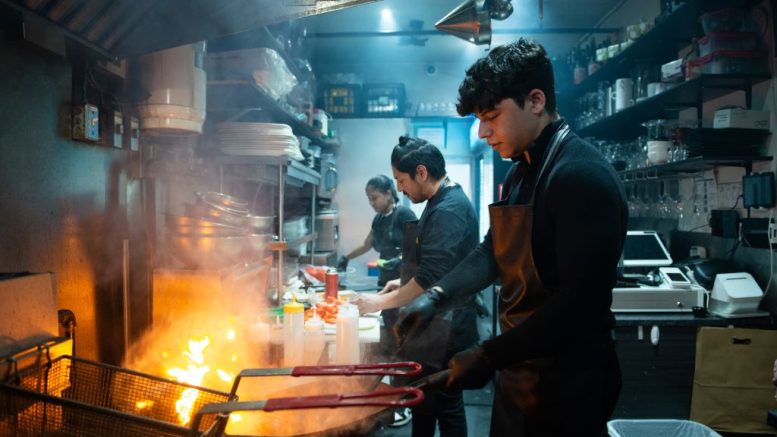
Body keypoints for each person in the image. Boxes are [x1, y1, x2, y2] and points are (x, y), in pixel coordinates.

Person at [395, 38, 628, 437]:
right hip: (519, 374)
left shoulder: (580, 176)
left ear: (535, 101)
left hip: (568, 387)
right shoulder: (522, 171)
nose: (483, 131)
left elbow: (579, 307)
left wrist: (487, 354)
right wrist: (436, 296)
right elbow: (492, 251)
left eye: (492, 116)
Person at [353, 135, 480, 437]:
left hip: (448, 329)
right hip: (435, 323)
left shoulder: (448, 209)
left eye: (401, 180)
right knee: (424, 400)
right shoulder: (439, 203)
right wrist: (401, 280)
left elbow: (429, 280)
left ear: (421, 172)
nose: (399, 188)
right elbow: (432, 265)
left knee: (447, 405)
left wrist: (377, 304)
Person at [336, 174, 417, 289]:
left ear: (388, 194)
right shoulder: (379, 219)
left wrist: (399, 259)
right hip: (385, 279)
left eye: (374, 198)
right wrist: (346, 258)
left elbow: (418, 245)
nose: (371, 203)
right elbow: (366, 244)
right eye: (369, 199)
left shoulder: (404, 214)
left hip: (404, 280)